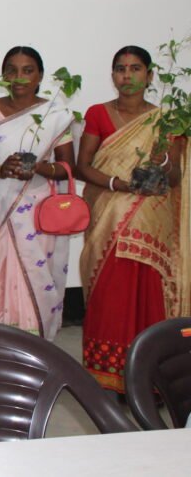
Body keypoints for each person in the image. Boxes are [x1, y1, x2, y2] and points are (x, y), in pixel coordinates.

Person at [76, 45, 188, 393]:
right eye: (121, 69)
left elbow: (175, 175)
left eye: (136, 69)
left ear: (150, 75)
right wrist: (118, 184)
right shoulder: (98, 113)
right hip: (109, 214)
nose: (128, 76)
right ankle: (106, 378)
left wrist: (161, 163)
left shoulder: (169, 118)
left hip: (149, 220)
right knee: (111, 294)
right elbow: (84, 165)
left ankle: (150, 378)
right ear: (113, 76)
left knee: (147, 292)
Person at [0, 47, 76, 340]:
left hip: (36, 212)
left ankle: (33, 345)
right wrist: (0, 170)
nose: (19, 77)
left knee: (35, 275)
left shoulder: (56, 113)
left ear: (40, 75)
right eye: (11, 70)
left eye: (27, 70)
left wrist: (40, 167)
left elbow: (68, 168)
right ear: (3, 75)